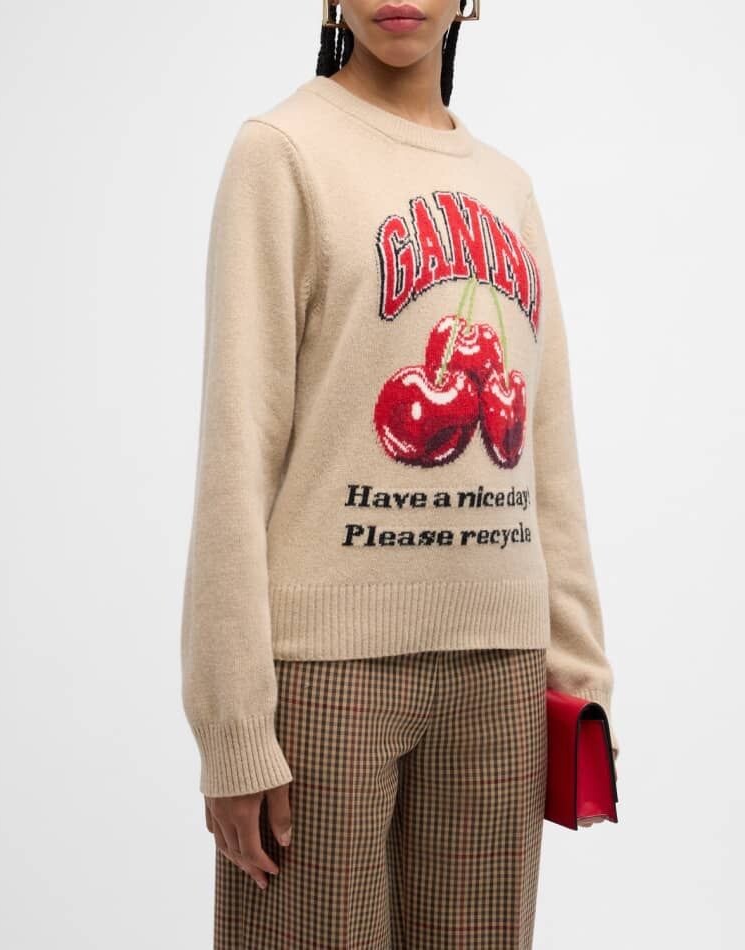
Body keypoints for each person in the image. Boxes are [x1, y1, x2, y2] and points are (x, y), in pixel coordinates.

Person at [180, 2, 620, 947]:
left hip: (503, 671)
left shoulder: (508, 186)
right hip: (327, 673)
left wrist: (580, 672)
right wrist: (233, 727)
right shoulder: (280, 152)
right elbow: (235, 448)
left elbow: (548, 447)